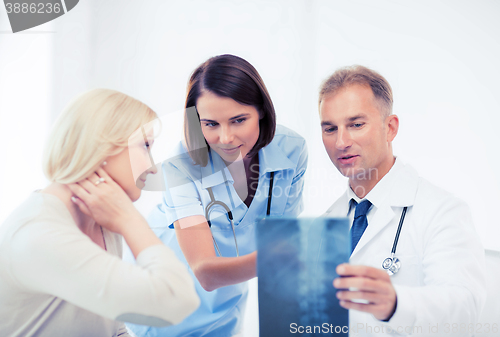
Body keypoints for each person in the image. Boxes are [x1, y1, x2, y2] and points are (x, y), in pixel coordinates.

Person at [128, 54, 308, 337]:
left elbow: (280, 238)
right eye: (210, 124)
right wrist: (293, 253)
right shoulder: (180, 165)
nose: (226, 138)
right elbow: (206, 272)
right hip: (161, 295)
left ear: (261, 109)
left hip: (228, 300)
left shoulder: (291, 150)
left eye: (238, 120)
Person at [0, 89, 200, 337]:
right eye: (145, 146)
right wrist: (130, 221)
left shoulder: (100, 222)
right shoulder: (38, 232)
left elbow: (113, 329)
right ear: (101, 146)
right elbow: (176, 300)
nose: (152, 168)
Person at [318, 66, 486, 336]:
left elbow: (465, 308)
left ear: (390, 128)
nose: (341, 142)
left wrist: (395, 304)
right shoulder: (326, 220)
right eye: (329, 128)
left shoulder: (443, 211)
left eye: (356, 124)